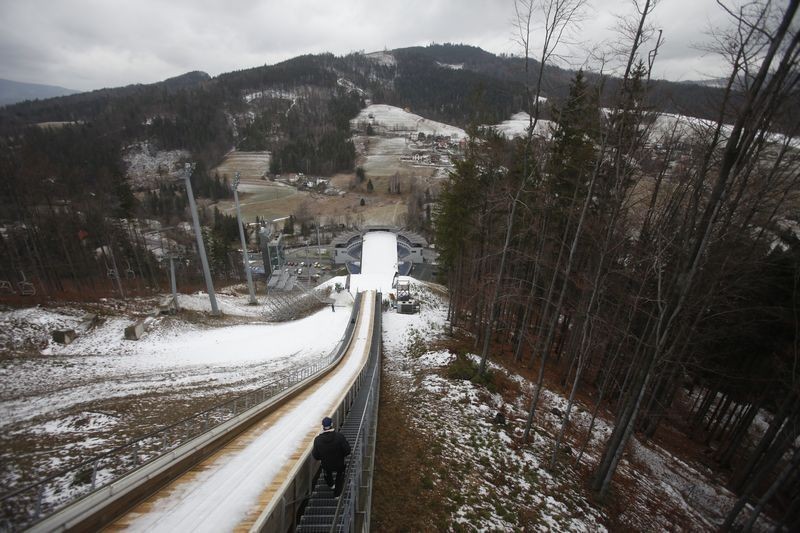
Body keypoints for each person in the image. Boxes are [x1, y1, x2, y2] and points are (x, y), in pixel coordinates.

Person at [312, 416, 351, 497]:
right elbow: (347, 451)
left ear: (323, 426)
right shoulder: (339, 437)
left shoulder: (317, 440)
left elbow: (316, 456)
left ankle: (331, 485)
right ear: (332, 424)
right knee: (340, 475)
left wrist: (322, 457)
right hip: (339, 463)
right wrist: (341, 455)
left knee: (326, 471)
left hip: (326, 465)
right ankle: (337, 494)